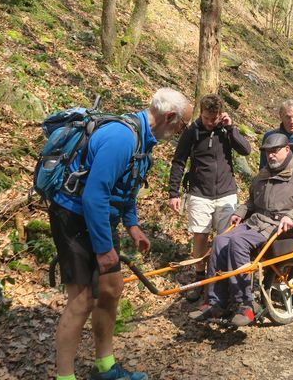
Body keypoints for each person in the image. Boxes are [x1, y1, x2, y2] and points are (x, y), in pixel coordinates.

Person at [48, 88, 193, 380]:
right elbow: (94, 196)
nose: (181, 131)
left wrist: (133, 225)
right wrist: (103, 249)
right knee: (82, 301)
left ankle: (104, 367)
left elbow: (126, 186)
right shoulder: (121, 138)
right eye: (182, 125)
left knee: (111, 289)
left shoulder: (142, 138)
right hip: (73, 216)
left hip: (100, 217)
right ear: (169, 116)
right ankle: (64, 376)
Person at [198, 133, 293, 326]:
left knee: (237, 243)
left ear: (287, 149)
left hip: (281, 228)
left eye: (275, 151)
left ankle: (246, 303)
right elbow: (252, 201)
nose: (271, 156)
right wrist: (241, 212)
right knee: (219, 241)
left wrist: (292, 216)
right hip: (256, 222)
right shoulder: (264, 173)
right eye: (267, 152)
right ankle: (216, 301)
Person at [167, 94, 251, 301]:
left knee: (225, 239)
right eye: (206, 118)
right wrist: (173, 193)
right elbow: (178, 162)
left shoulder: (225, 130)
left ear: (220, 115)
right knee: (200, 236)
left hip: (226, 193)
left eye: (213, 118)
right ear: (201, 113)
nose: (210, 122)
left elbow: (246, 150)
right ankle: (199, 279)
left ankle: (221, 280)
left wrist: (231, 129)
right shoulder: (192, 132)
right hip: (199, 193)